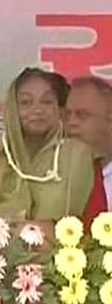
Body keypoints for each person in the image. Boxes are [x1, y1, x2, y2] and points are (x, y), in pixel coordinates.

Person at [0, 67, 105, 225]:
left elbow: (97, 227)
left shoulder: (79, 156)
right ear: (12, 109)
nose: (38, 110)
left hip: (67, 248)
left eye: (46, 102)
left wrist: (51, 232)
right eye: (26, 102)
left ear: (58, 108)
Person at [65, 76, 112, 209]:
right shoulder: (55, 175)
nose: (71, 122)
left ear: (110, 120)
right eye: (68, 114)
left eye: (82, 115)